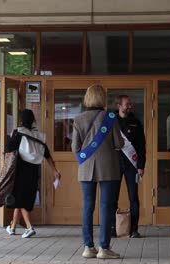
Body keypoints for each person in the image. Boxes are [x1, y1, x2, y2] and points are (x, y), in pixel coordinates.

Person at [71, 84, 124, 259]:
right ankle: (104, 248)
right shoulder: (110, 117)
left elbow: (75, 147)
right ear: (102, 98)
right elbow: (119, 144)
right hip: (108, 167)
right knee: (106, 207)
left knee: (87, 207)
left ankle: (88, 247)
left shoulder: (78, 119)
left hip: (86, 168)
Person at [5, 109, 61, 238]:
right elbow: (47, 155)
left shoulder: (19, 133)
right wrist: (54, 171)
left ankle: (29, 227)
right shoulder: (38, 136)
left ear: (21, 120)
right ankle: (12, 227)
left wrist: (12, 135)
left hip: (21, 171)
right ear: (33, 120)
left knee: (20, 199)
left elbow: (9, 148)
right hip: (34, 171)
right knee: (22, 198)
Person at [113, 95, 146, 238]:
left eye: (130, 104)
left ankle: (134, 229)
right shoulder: (110, 121)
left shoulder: (136, 123)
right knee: (112, 197)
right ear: (119, 105)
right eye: (127, 104)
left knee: (133, 196)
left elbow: (141, 146)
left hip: (131, 166)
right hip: (113, 164)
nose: (129, 107)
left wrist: (141, 165)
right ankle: (113, 228)